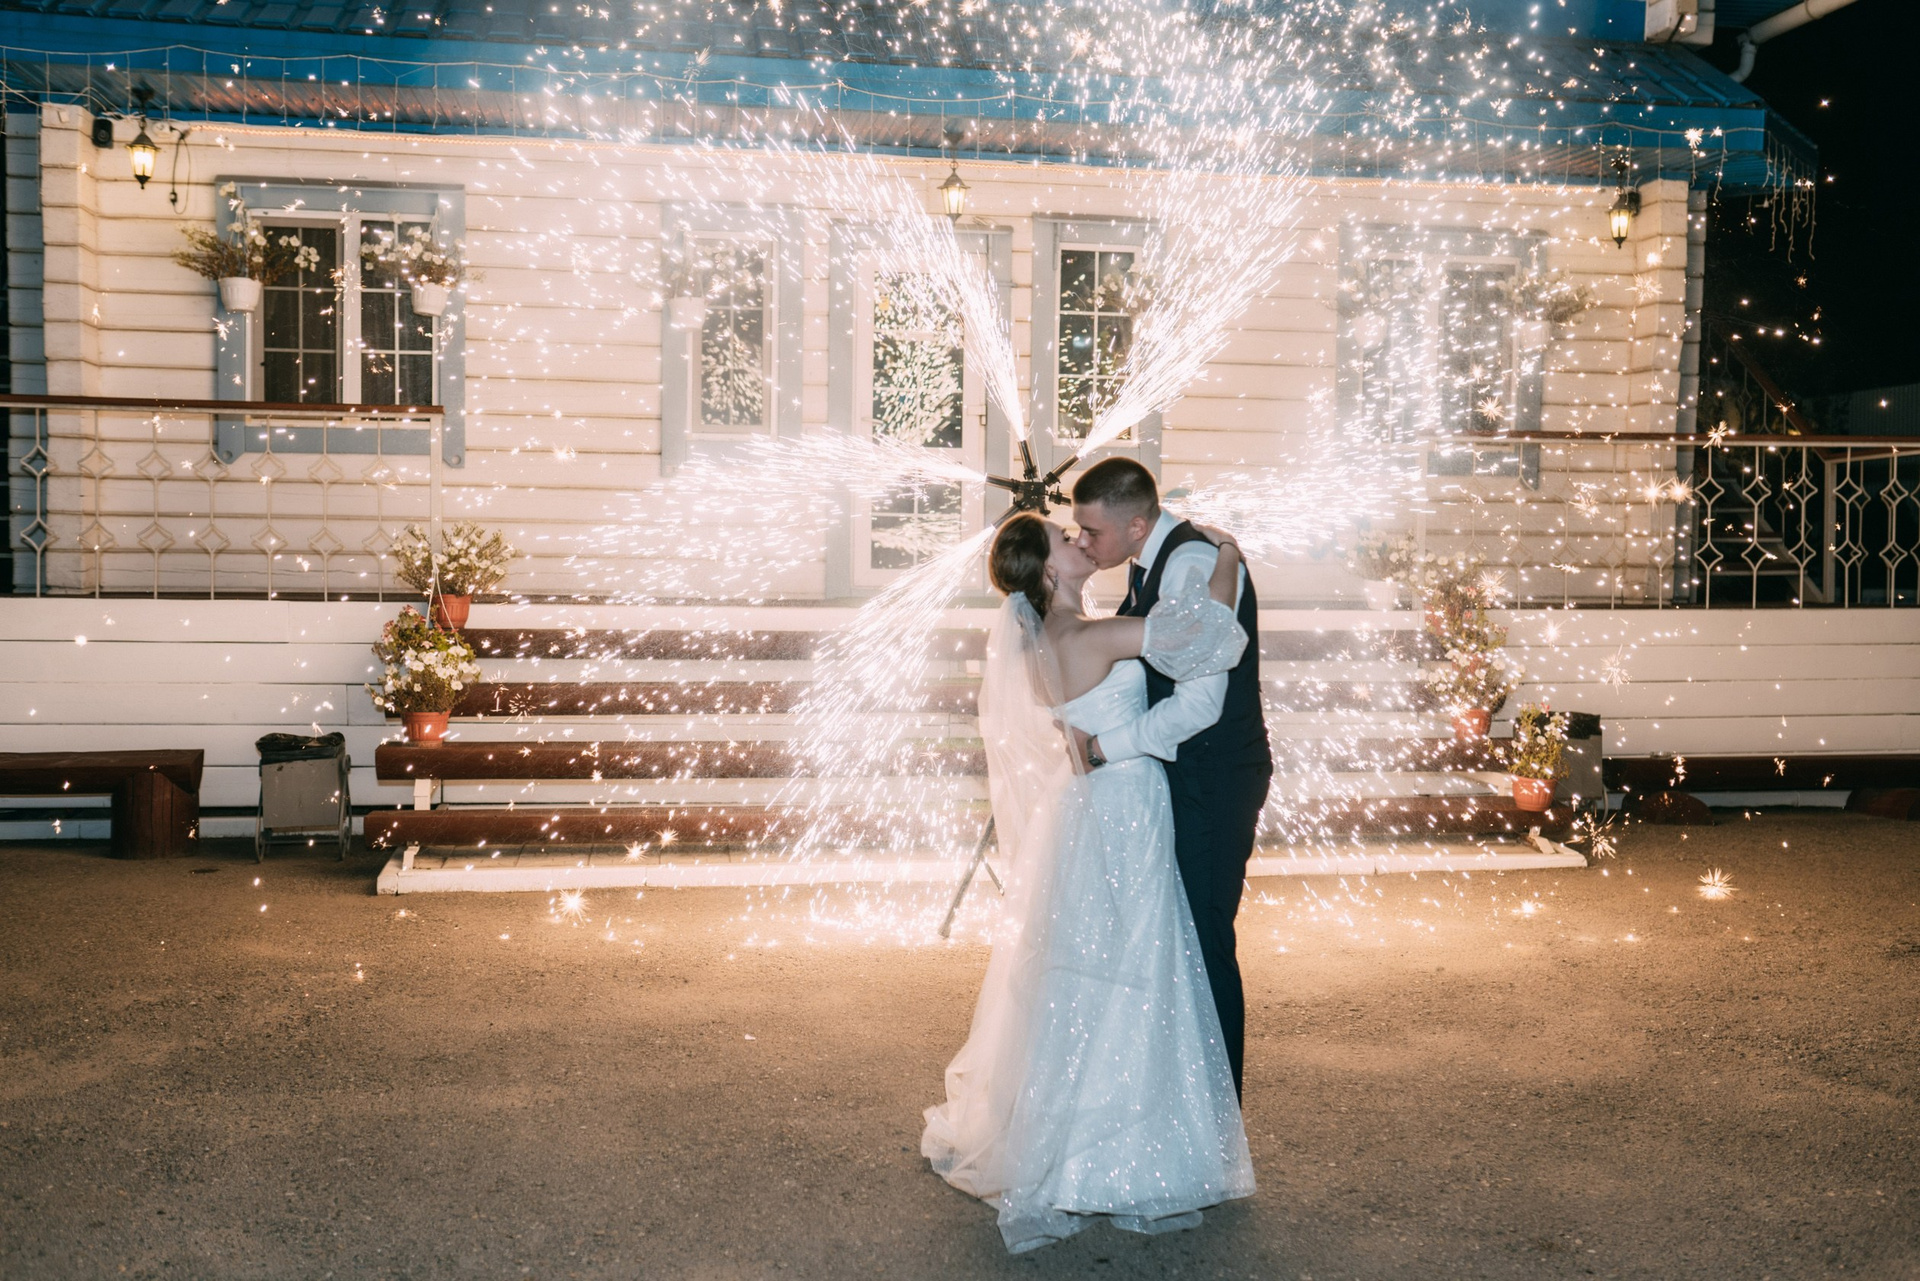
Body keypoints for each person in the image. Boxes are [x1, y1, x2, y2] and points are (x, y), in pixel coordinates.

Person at [921, 510, 1255, 1254]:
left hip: (1081, 808)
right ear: (1047, 570)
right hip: (1125, 803)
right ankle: (1114, 1153)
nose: (1077, 541)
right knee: (1133, 961)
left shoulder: (1044, 642)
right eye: (1062, 539)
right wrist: (1229, 554)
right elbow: (1208, 637)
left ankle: (1071, 1137)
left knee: (1082, 968)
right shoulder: (1089, 636)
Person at [1070, 457, 1272, 1097]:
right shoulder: (1155, 559)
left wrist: (1103, 748)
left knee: (1205, 940)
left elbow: (1199, 706)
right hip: (1184, 774)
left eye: (1092, 532)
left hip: (1213, 776)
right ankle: (1181, 1100)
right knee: (1179, 940)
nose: (1083, 542)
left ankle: (1217, 1114)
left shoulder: (1187, 566)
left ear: (1136, 526)